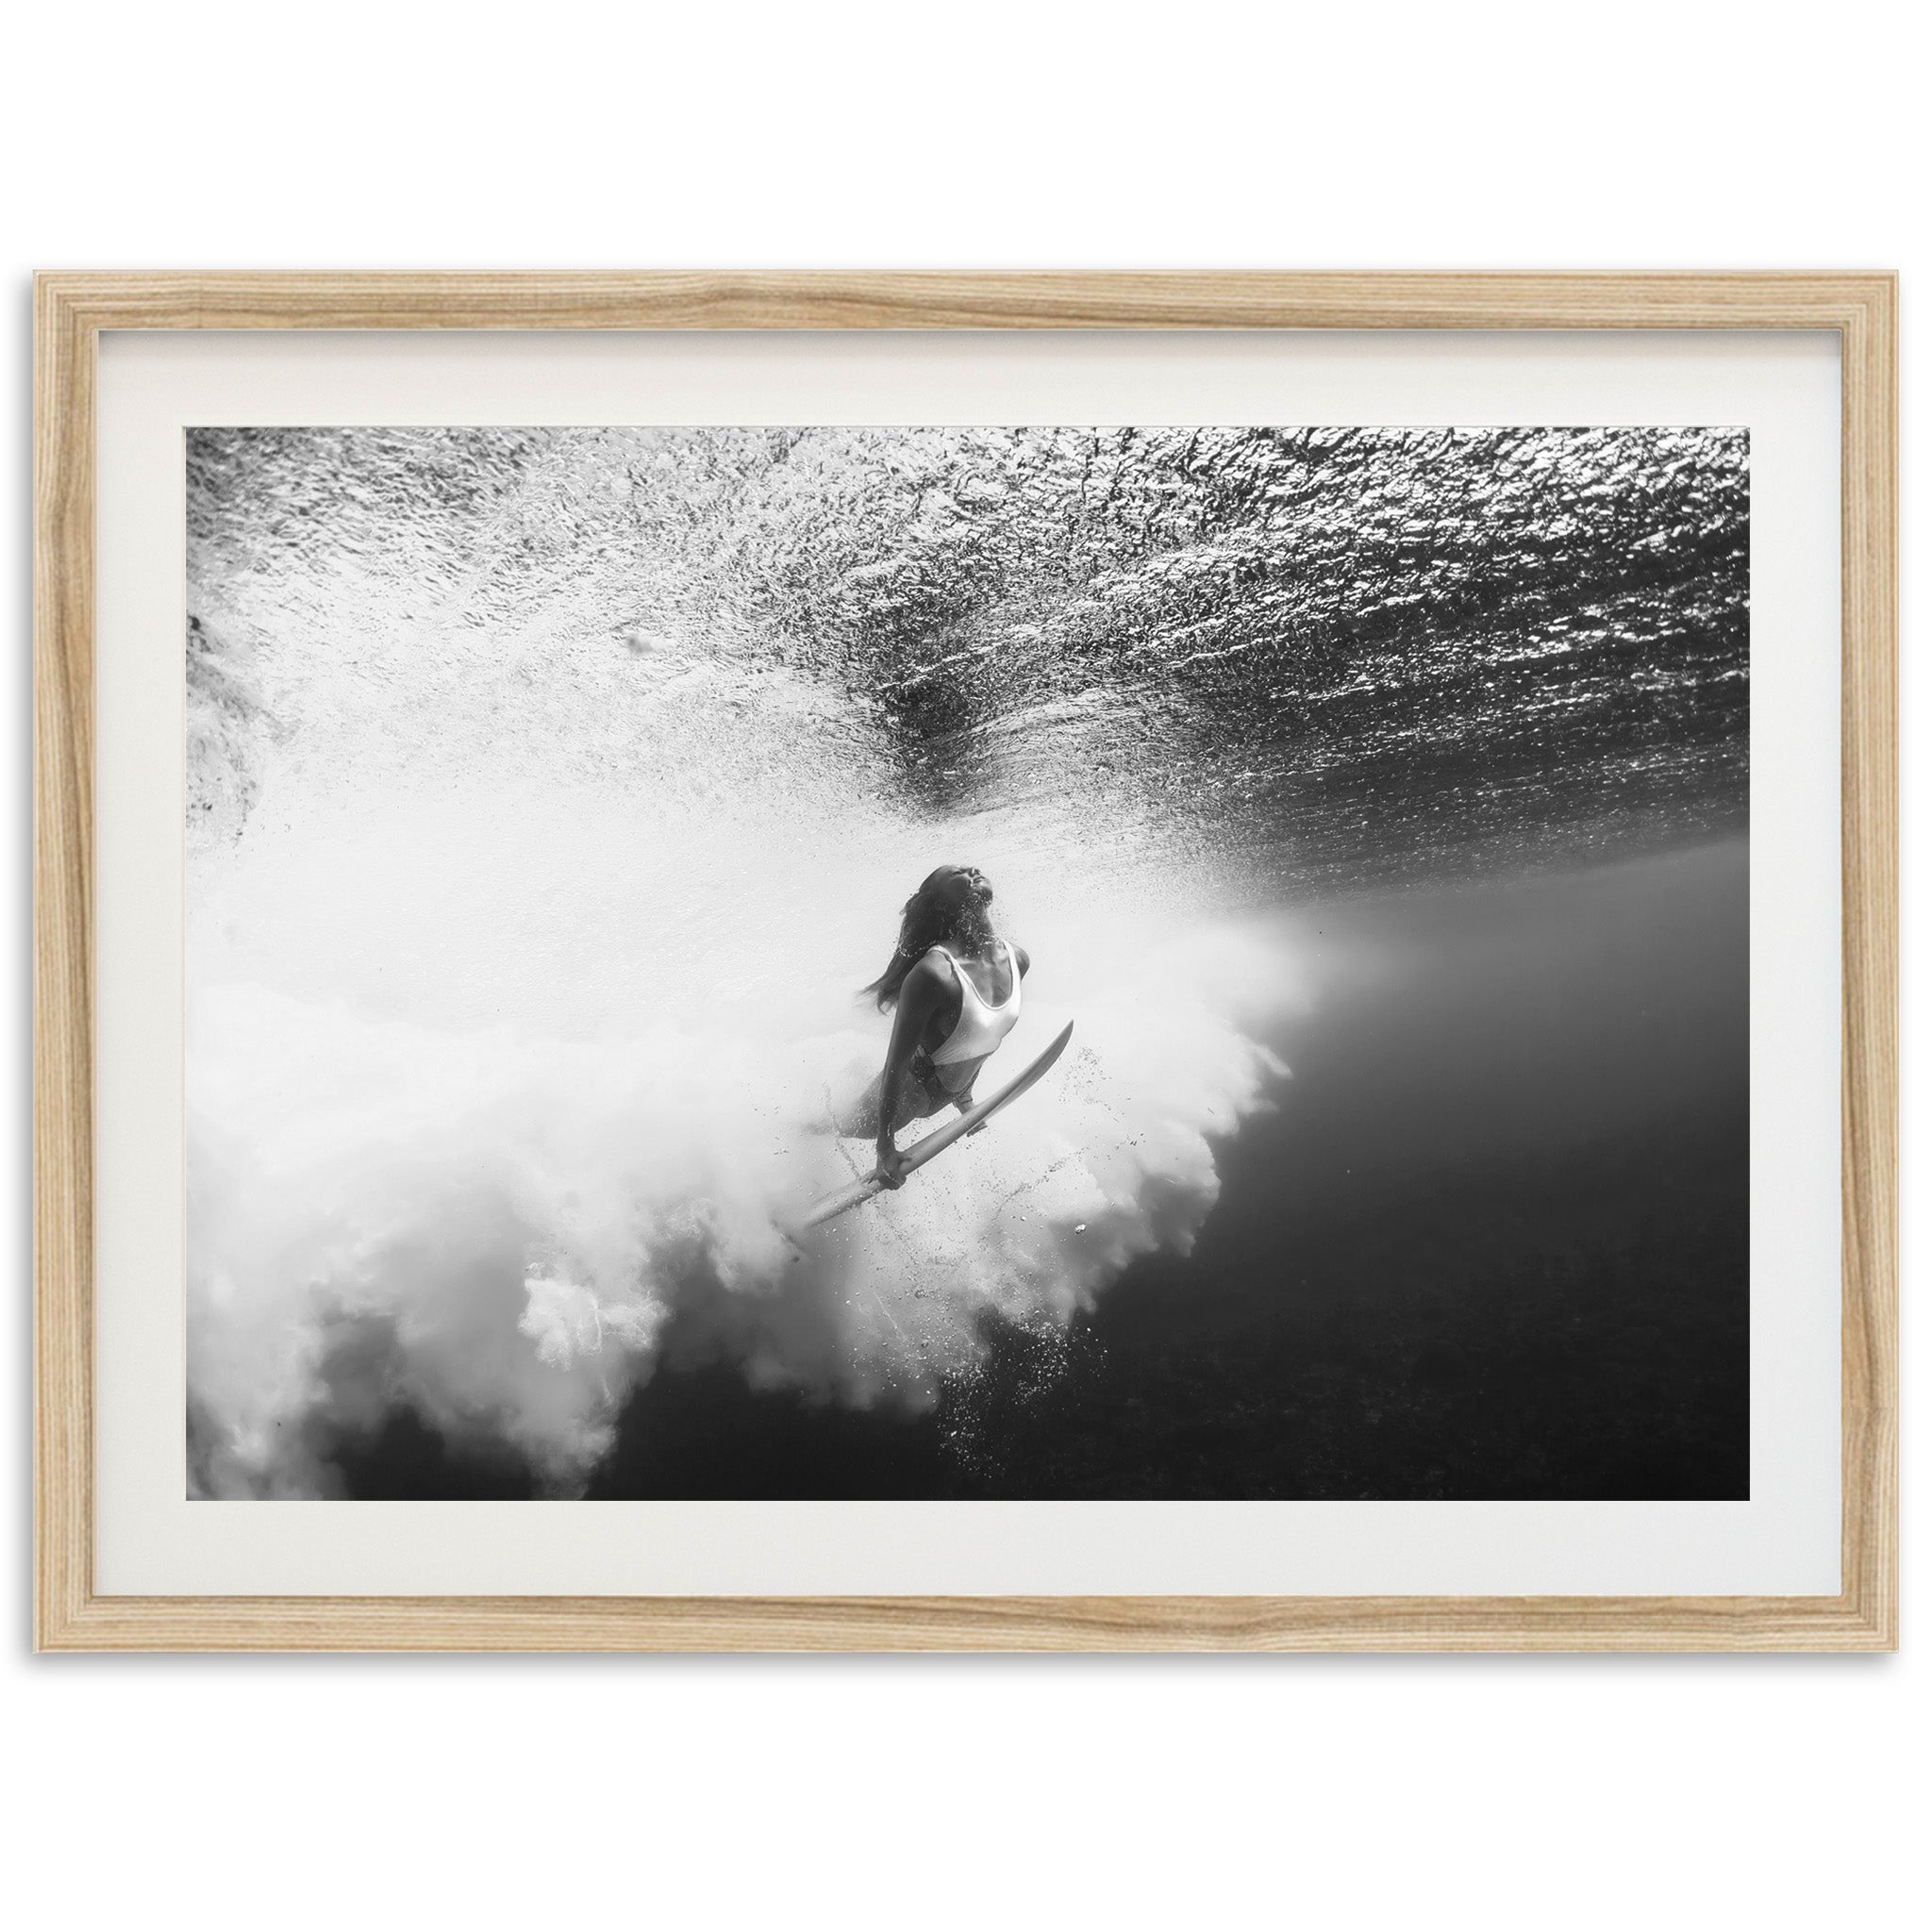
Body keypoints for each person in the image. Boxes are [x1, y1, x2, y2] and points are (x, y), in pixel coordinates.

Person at [842, 864, 1031, 1189]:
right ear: (942, 903)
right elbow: (895, 1065)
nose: (971, 868)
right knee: (830, 1124)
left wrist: (964, 1097)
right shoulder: (933, 973)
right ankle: (773, 1131)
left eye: (971, 867)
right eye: (956, 873)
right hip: (904, 1101)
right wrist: (885, 1149)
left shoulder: (1017, 959)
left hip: (947, 1093)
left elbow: (982, 1037)